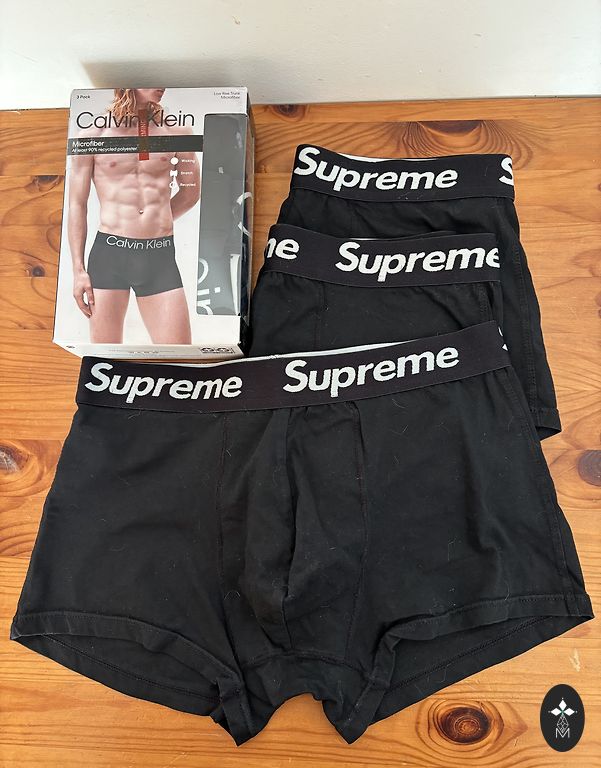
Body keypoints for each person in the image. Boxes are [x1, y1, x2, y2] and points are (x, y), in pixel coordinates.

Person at [68, 88, 200, 343]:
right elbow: (77, 204)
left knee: (179, 354)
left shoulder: (178, 131)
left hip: (159, 255)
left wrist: (154, 222)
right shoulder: (92, 135)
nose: (162, 86)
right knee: (106, 357)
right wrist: (78, 270)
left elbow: (190, 193)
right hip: (109, 254)